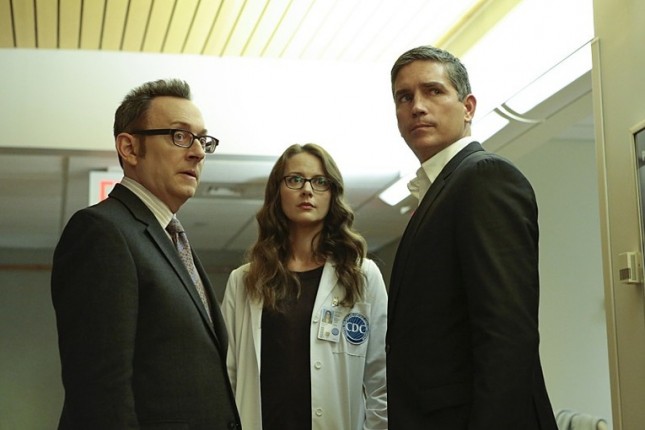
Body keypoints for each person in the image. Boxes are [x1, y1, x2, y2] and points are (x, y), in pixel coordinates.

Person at [51, 79, 241, 429]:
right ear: (130, 148)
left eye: (202, 140)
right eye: (179, 136)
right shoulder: (102, 232)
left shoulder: (171, 238)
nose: (198, 152)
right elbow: (100, 394)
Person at [385, 45, 558, 429]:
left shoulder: (484, 176)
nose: (417, 107)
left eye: (433, 91)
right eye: (404, 97)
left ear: (468, 107)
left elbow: (506, 336)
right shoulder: (439, 191)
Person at [222, 143, 388, 430]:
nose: (307, 190)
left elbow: (380, 378)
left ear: (332, 193)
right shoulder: (244, 280)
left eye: (320, 181)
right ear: (278, 191)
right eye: (295, 179)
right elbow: (229, 374)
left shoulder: (362, 275)